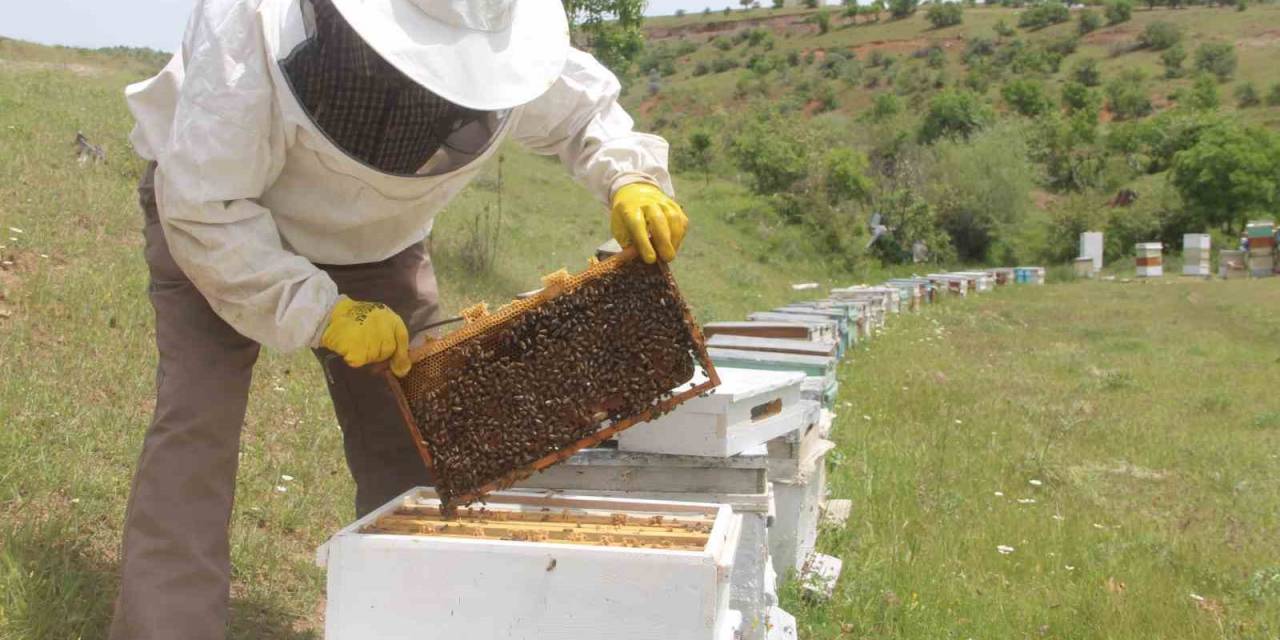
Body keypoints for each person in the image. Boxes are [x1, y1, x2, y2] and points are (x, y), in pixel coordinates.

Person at [112, 0, 688, 637]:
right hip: (220, 220)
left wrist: (632, 176)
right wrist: (319, 313)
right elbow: (204, 206)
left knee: (417, 437)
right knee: (198, 424)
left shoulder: (491, 28)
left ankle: (417, 619)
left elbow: (582, 111)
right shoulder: (248, 21)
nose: (427, 93)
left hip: (379, 243)